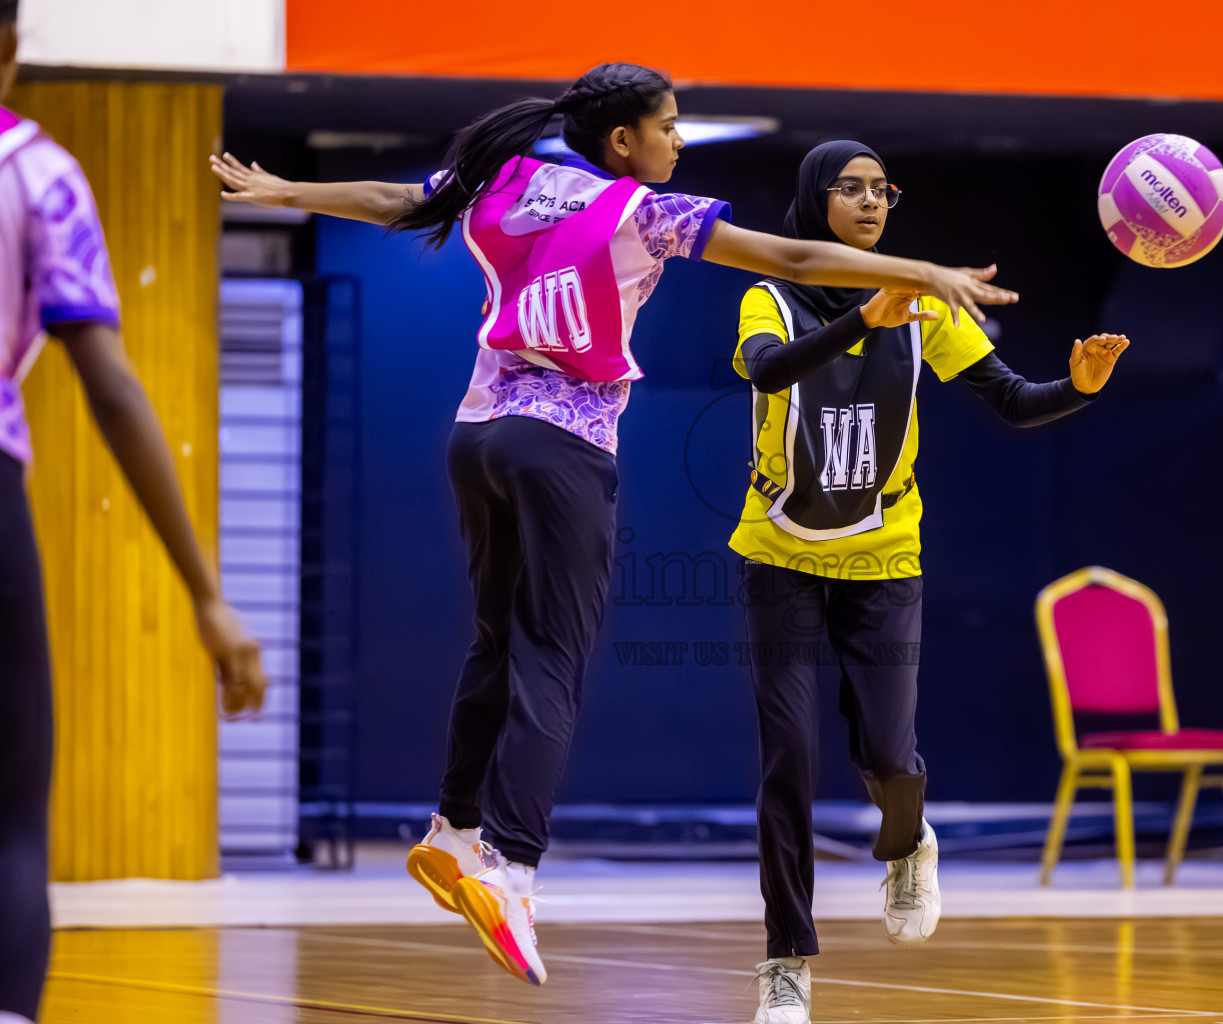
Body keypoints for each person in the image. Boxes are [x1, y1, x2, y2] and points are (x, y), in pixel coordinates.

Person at [210, 64, 1018, 987]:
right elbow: (791, 259)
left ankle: (451, 825)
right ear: (624, 142)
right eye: (668, 127)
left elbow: (398, 199)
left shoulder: (508, 176)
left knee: (493, 638)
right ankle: (511, 866)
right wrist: (917, 270)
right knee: (555, 652)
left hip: (476, 434)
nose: (678, 140)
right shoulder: (642, 211)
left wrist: (285, 192)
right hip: (562, 447)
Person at [729, 140, 1126, 1024]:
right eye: (853, 189)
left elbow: (1014, 399)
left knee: (885, 753)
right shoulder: (771, 296)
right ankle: (785, 963)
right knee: (788, 764)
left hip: (883, 555)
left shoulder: (923, 306)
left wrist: (1081, 387)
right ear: (814, 199)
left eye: (884, 190)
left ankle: (909, 845)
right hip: (779, 552)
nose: (873, 203)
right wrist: (863, 318)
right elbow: (764, 371)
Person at [0, 4, 268, 1021]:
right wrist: (206, 594)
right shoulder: (35, 173)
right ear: (11, 49)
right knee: (11, 819)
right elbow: (110, 387)